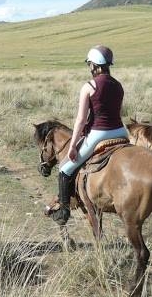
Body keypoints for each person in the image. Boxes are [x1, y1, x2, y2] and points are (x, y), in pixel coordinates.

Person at [53, 46, 129, 225]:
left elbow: (80, 120)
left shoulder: (89, 86)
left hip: (98, 133)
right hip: (120, 131)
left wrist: (72, 147)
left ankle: (64, 210)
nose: (89, 67)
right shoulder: (118, 85)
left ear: (94, 65)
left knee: (64, 169)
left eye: (89, 64)